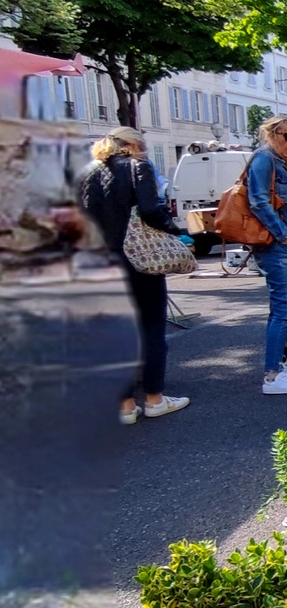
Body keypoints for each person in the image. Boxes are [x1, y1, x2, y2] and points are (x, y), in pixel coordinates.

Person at [79, 127, 191, 425]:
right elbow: (150, 209)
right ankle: (154, 398)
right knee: (152, 326)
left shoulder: (86, 172)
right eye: (141, 145)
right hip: (137, 257)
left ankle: (126, 405)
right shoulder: (137, 167)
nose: (143, 151)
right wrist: (173, 230)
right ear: (128, 145)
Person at [248, 115, 287, 396]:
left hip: (282, 244)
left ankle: (278, 367)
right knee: (284, 309)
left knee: (283, 308)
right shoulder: (264, 159)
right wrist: (283, 233)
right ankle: (272, 375)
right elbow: (259, 201)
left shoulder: (274, 161)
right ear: (272, 134)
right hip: (276, 246)